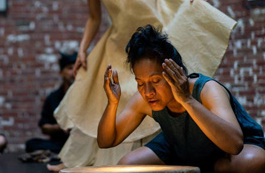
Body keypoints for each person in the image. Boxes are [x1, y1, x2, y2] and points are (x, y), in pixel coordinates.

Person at [51, 0, 237, 171]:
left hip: (158, 34)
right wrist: (82, 49)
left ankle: (179, 154)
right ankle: (120, 162)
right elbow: (94, 17)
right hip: (121, 44)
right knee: (125, 96)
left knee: (166, 88)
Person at [98, 25, 265, 172]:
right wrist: (112, 104)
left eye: (155, 81)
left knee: (251, 163)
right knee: (126, 166)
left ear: (173, 73)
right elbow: (106, 141)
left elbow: (235, 144)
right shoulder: (145, 97)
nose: (148, 91)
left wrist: (187, 100)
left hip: (229, 149)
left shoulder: (206, 89)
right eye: (140, 83)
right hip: (180, 144)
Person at [25, 52, 77, 154]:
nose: (75, 72)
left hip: (81, 143)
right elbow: (44, 127)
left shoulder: (87, 95)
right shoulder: (53, 97)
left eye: (77, 68)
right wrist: (61, 127)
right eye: (70, 68)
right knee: (31, 144)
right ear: (61, 72)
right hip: (59, 143)